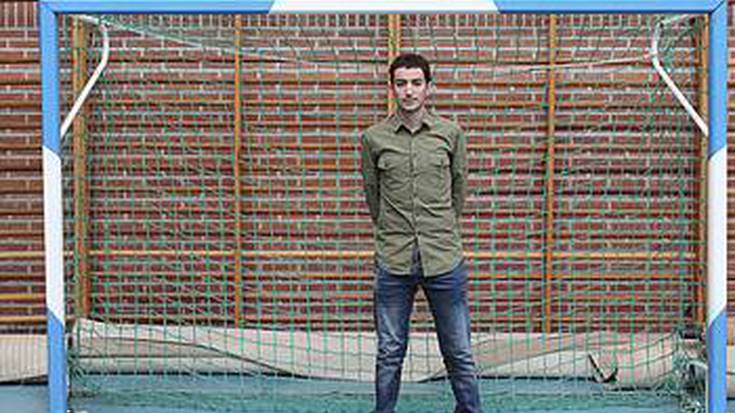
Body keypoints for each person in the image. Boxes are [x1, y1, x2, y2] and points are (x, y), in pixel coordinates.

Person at [360, 53, 482, 413]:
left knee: (459, 350)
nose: (409, 91)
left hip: (443, 259)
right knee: (389, 351)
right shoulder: (373, 138)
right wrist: (393, 235)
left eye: (416, 83)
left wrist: (439, 230)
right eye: (401, 83)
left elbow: (458, 191)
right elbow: (373, 196)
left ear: (429, 87)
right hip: (393, 262)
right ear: (392, 88)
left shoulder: (450, 134)